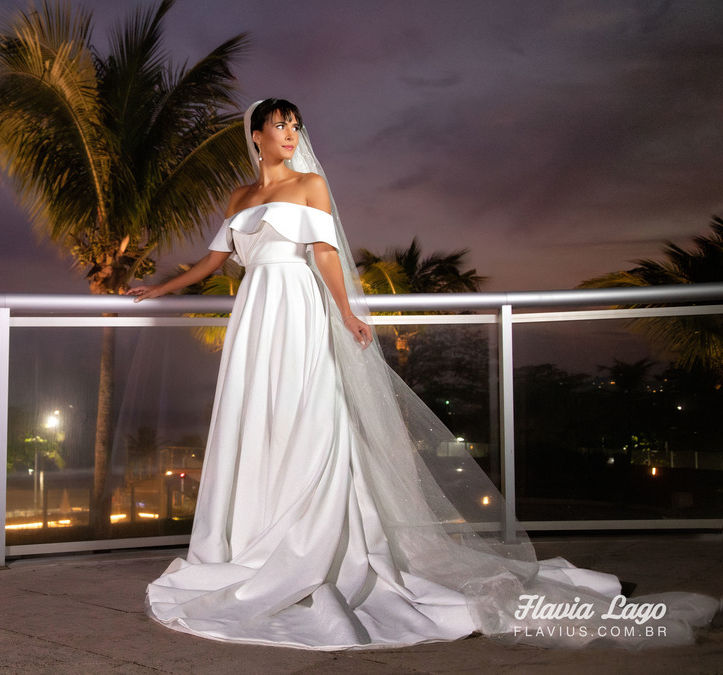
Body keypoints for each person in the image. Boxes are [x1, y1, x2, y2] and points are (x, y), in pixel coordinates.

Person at [128, 99, 719, 650]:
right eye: (279, 125)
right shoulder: (238, 196)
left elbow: (327, 254)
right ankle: (257, 536)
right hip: (256, 314)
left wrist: (345, 312)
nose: (290, 134)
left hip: (300, 309)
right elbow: (213, 260)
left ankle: (314, 537)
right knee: (257, 418)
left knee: (309, 413)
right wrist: (160, 287)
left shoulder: (310, 185)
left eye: (295, 126)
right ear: (255, 135)